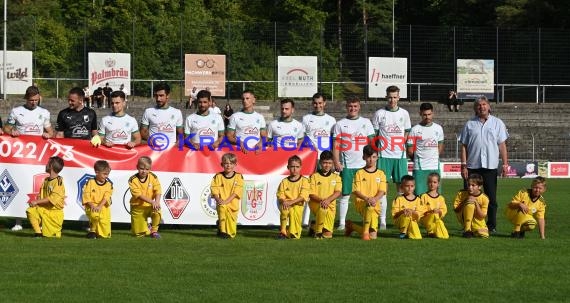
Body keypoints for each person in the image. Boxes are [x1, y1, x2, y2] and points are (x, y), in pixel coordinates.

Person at [5, 86, 54, 232]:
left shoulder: (44, 112)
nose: (34, 102)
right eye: (31, 100)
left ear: (39, 98)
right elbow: (7, 128)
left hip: (38, 156)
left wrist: (49, 134)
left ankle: (38, 218)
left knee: (37, 187)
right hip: (20, 155)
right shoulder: (16, 111)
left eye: (36, 100)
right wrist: (11, 131)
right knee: (19, 184)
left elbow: (50, 131)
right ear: (26, 98)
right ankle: (18, 220)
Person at [460, 96, 509, 233]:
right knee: (469, 197)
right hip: (472, 166)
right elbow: (463, 146)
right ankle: (468, 225)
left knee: (491, 198)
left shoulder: (497, 123)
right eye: (478, 105)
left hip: (490, 167)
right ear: (475, 108)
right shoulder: (469, 124)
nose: (481, 107)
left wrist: (505, 165)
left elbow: (502, 145)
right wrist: (463, 165)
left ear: (489, 106)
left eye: (484, 104)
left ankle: (491, 225)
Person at [332, 95, 375, 231]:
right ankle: (342, 223)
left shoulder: (366, 122)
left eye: (355, 106)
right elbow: (336, 145)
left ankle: (368, 221)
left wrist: (371, 162)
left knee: (367, 195)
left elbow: (371, 144)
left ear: (359, 107)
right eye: (350, 106)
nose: (353, 108)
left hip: (363, 166)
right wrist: (337, 161)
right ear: (346, 107)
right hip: (347, 166)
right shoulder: (340, 124)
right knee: (345, 194)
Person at [372, 85, 411, 230]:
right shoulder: (379, 113)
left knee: (401, 190)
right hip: (383, 156)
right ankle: (382, 220)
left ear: (399, 97)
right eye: (390, 97)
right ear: (386, 97)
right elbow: (374, 135)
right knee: (383, 189)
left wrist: (402, 144)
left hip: (399, 157)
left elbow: (407, 132)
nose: (392, 100)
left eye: (395, 97)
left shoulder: (404, 114)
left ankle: (400, 217)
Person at [301, 93, 336, 228]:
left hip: (325, 160)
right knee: (309, 188)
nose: (318, 105)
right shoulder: (306, 118)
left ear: (324, 103)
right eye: (315, 103)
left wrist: (333, 159)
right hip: (310, 159)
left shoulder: (331, 120)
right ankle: (305, 220)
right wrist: (309, 146)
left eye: (320, 103)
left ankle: (325, 218)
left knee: (325, 190)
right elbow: (302, 137)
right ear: (312, 103)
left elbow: (333, 140)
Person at [344, 145, 387, 240]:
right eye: (368, 157)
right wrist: (367, 199)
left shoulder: (381, 173)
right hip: (362, 203)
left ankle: (352, 226)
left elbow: (382, 191)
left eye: (373, 157)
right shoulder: (359, 173)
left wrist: (374, 199)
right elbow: (356, 191)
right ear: (363, 157)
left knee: (373, 236)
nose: (371, 160)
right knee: (369, 207)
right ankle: (365, 233)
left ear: (377, 157)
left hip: (375, 204)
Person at [406, 102, 444, 195]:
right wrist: (417, 159)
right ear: (420, 114)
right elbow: (410, 150)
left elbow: (440, 146)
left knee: (435, 197)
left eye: (429, 114)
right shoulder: (415, 130)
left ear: (433, 113)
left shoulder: (438, 128)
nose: (427, 117)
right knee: (419, 197)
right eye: (424, 115)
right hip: (420, 168)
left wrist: (434, 157)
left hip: (434, 167)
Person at [26, 156, 65, 238]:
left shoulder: (58, 182)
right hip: (44, 210)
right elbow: (41, 196)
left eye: (47, 163)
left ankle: (53, 231)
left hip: (54, 214)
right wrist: (37, 203)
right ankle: (38, 233)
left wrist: (36, 202)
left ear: (50, 166)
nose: (45, 165)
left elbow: (51, 199)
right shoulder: (46, 180)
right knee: (31, 211)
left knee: (51, 237)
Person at [308, 150, 342, 239]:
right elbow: (311, 194)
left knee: (328, 235)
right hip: (317, 204)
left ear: (333, 164)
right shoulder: (314, 176)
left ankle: (313, 226)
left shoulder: (336, 177)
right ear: (320, 162)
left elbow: (338, 192)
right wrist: (322, 201)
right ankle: (318, 232)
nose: (327, 165)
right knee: (322, 209)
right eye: (325, 163)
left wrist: (328, 200)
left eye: (330, 163)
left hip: (330, 206)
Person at [211, 153, 244, 239]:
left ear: (235, 164)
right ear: (222, 164)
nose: (228, 165)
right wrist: (218, 199)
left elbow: (236, 192)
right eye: (226, 163)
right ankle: (222, 231)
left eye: (231, 163)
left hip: (232, 205)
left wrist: (226, 201)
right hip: (221, 202)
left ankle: (221, 226)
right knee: (222, 207)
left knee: (231, 234)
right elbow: (214, 190)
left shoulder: (239, 177)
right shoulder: (218, 176)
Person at [276, 155, 310, 239]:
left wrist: (290, 202)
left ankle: (292, 231)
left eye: (297, 167)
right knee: (284, 210)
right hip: (287, 205)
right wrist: (283, 201)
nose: (294, 169)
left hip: (298, 206)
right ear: (288, 167)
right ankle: (282, 231)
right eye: (292, 167)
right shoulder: (284, 181)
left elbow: (303, 196)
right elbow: (280, 195)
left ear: (300, 167)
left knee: (294, 236)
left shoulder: (305, 181)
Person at [128, 156, 162, 238]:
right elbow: (138, 195)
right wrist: (152, 202)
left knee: (157, 211)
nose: (144, 171)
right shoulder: (132, 179)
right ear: (137, 167)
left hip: (150, 205)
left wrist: (156, 202)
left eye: (147, 169)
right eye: (142, 168)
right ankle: (147, 227)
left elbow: (158, 190)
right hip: (137, 207)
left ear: (150, 169)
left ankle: (154, 231)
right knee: (139, 235)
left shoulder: (153, 177)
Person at [226, 90, 267, 154]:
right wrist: (240, 143)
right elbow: (229, 136)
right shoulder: (235, 116)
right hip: (239, 152)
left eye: (247, 98)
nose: (244, 101)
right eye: (243, 99)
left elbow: (264, 136)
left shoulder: (260, 117)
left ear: (253, 100)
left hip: (256, 153)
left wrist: (261, 143)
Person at [82, 160, 113, 239]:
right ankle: (92, 231)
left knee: (105, 235)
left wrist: (99, 206)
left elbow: (106, 197)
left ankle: (97, 232)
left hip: (103, 207)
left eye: (107, 174)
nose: (106, 176)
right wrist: (92, 205)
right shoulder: (90, 182)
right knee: (95, 215)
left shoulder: (109, 185)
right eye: (104, 174)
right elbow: (86, 195)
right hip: (91, 206)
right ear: (97, 172)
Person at [453, 173, 489, 238]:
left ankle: (473, 230)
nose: (470, 187)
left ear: (479, 186)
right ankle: (467, 230)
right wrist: (466, 200)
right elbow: (456, 210)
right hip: (463, 217)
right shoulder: (461, 193)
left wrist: (476, 203)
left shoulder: (485, 198)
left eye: (473, 185)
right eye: (468, 185)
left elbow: (482, 216)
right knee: (470, 204)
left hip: (477, 219)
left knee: (484, 235)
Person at [419, 172, 449, 239]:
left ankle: (434, 230)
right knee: (434, 214)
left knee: (444, 236)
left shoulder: (441, 198)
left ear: (438, 184)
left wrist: (439, 211)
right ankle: (430, 231)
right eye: (430, 182)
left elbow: (444, 211)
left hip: (437, 219)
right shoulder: (423, 196)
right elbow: (420, 211)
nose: (432, 184)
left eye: (434, 182)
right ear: (427, 183)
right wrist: (431, 211)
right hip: (426, 219)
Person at [391, 175, 422, 240]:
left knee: (417, 237)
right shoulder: (398, 199)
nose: (410, 188)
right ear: (402, 187)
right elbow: (394, 216)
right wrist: (403, 211)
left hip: (413, 222)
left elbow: (418, 216)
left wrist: (412, 212)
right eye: (407, 186)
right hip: (400, 222)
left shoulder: (418, 200)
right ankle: (403, 232)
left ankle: (408, 232)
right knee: (406, 215)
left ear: (414, 187)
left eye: (412, 186)